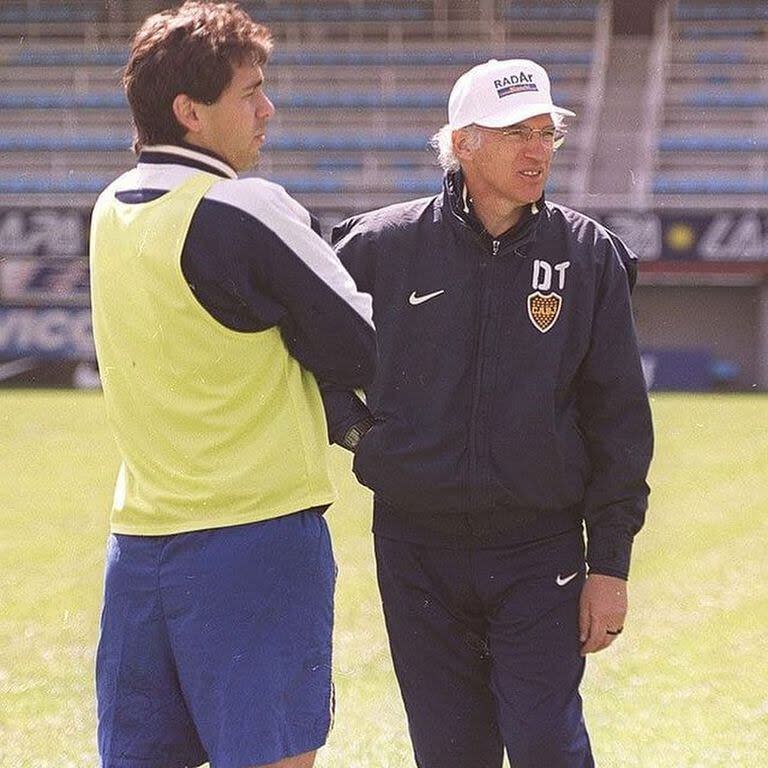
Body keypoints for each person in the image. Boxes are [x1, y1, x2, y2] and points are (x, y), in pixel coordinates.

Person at [324, 59, 654, 767]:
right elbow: (299, 353)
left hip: (541, 552)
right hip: (416, 550)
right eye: (516, 134)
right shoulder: (381, 245)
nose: (538, 151)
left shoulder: (588, 256)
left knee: (545, 743)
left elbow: (619, 420)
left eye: (546, 134)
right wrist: (360, 437)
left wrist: (612, 566)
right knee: (449, 753)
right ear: (463, 143)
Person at [89, 3, 376, 767]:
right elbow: (367, 347)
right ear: (189, 113)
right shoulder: (245, 204)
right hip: (258, 540)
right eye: (249, 92)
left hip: (140, 545)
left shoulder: (108, 209)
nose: (267, 108)